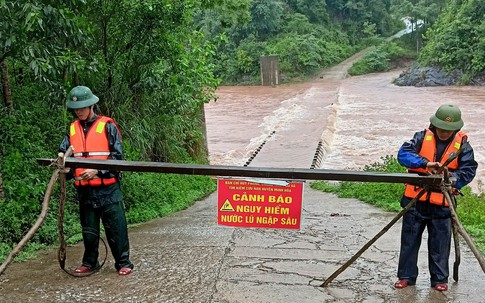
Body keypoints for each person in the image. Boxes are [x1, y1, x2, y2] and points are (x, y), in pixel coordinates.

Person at [394, 103, 477, 291]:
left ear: (455, 129)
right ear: (434, 124)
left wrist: (452, 178)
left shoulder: (463, 146)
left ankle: (439, 279)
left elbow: (468, 170)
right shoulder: (421, 137)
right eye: (441, 128)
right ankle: (406, 276)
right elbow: (403, 154)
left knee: (440, 243)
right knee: (409, 240)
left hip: (442, 203)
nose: (444, 133)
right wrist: (426, 164)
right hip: (415, 201)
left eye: (448, 130)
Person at [59, 85, 134, 276]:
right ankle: (89, 262)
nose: (79, 111)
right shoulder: (72, 130)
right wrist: (66, 168)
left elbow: (118, 159)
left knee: (116, 228)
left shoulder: (107, 126)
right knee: (89, 230)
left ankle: (123, 262)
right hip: (85, 190)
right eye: (76, 108)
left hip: (108, 189)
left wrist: (97, 170)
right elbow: (64, 157)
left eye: (83, 107)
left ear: (91, 106)